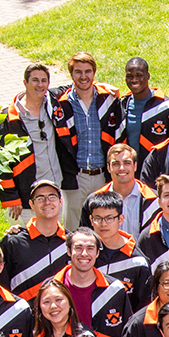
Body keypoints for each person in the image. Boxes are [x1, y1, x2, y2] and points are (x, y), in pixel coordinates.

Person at [52, 52, 123, 225]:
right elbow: (40, 90)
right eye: (78, 72)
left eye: (88, 71)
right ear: (71, 74)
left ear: (94, 73)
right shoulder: (61, 103)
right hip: (76, 176)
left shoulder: (108, 99)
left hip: (102, 175)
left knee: (104, 224)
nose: (83, 76)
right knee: (73, 227)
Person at [0, 64, 64, 221]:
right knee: (27, 242)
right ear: (25, 82)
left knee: (55, 241)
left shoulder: (52, 104)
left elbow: (75, 85)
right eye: (34, 80)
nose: (40, 85)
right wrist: (11, 198)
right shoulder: (7, 119)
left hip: (55, 190)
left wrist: (100, 85)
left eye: (44, 80)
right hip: (25, 196)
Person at [119, 56, 169, 171]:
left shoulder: (165, 107)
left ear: (147, 76)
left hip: (157, 171)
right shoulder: (122, 105)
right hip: (128, 171)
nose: (134, 80)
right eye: (129, 76)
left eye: (139, 75)